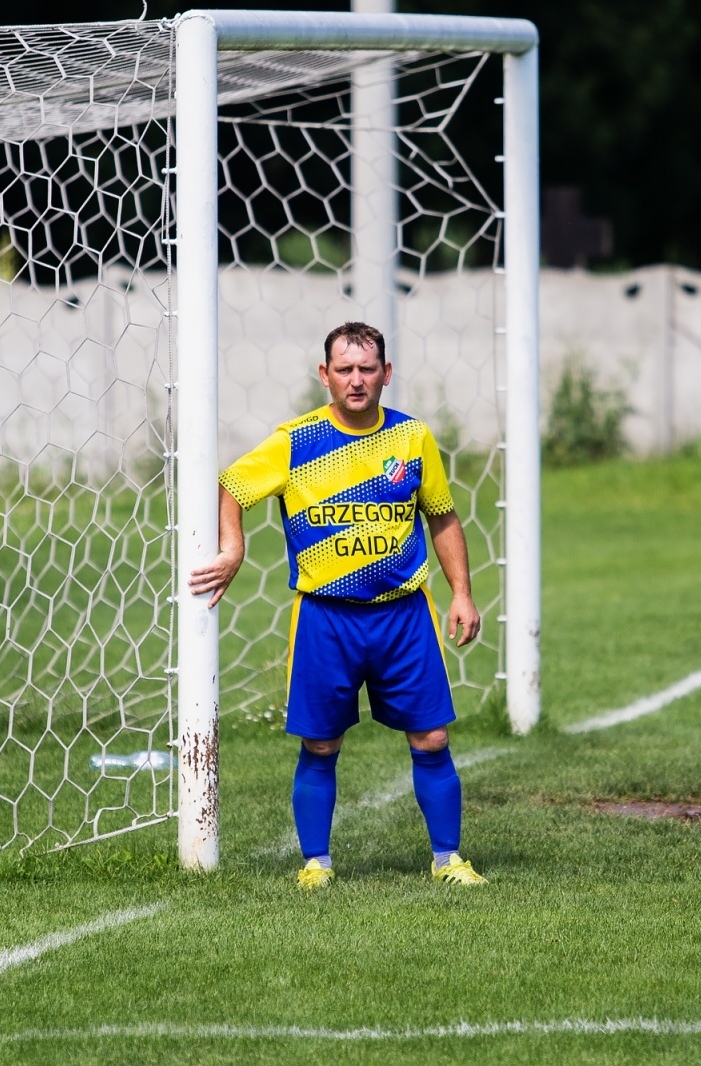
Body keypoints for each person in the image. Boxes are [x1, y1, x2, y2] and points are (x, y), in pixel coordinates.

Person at [189, 321, 487, 887]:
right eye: (344, 370)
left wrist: (463, 595)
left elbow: (442, 515)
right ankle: (316, 865)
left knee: (433, 738)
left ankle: (448, 859)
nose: (356, 381)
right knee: (320, 743)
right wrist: (233, 547)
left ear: (386, 374)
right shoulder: (296, 440)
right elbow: (232, 485)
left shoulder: (411, 437)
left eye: (367, 369)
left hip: (404, 614)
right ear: (324, 375)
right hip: (325, 617)